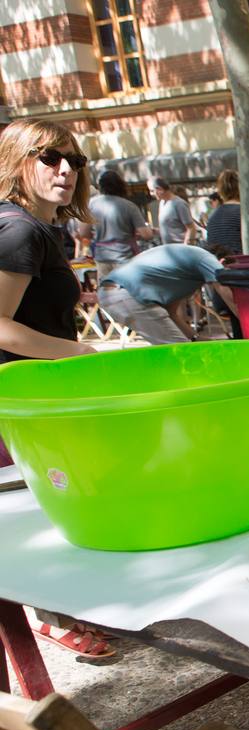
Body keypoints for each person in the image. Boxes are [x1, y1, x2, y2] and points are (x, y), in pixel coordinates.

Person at [0, 117, 115, 660]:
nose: (66, 170)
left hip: (31, 394)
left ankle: (60, 609)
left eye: (75, 160)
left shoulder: (34, 227)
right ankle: (51, 615)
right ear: (17, 161)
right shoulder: (20, 230)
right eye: (49, 158)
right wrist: (79, 352)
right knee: (43, 502)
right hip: (20, 397)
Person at [98, 243, 235, 344]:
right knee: (180, 351)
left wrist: (195, 338)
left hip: (110, 294)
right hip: (128, 294)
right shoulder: (206, 257)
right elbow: (228, 295)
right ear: (222, 262)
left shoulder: (185, 267)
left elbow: (171, 313)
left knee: (176, 347)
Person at [82, 168, 153, 280]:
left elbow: (83, 232)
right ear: (120, 185)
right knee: (127, 292)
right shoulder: (129, 206)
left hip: (102, 257)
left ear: (100, 186)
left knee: (107, 293)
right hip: (125, 257)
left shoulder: (91, 205)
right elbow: (147, 235)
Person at [205, 170, 243, 338]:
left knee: (238, 327)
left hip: (221, 277)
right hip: (242, 276)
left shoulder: (213, 216)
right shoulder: (244, 212)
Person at [150, 176, 196, 245]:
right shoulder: (162, 203)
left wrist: (186, 247)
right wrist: (156, 231)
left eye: (152, 191)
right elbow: (172, 228)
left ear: (160, 189)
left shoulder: (179, 204)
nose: (151, 194)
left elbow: (191, 228)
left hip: (180, 249)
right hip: (169, 249)